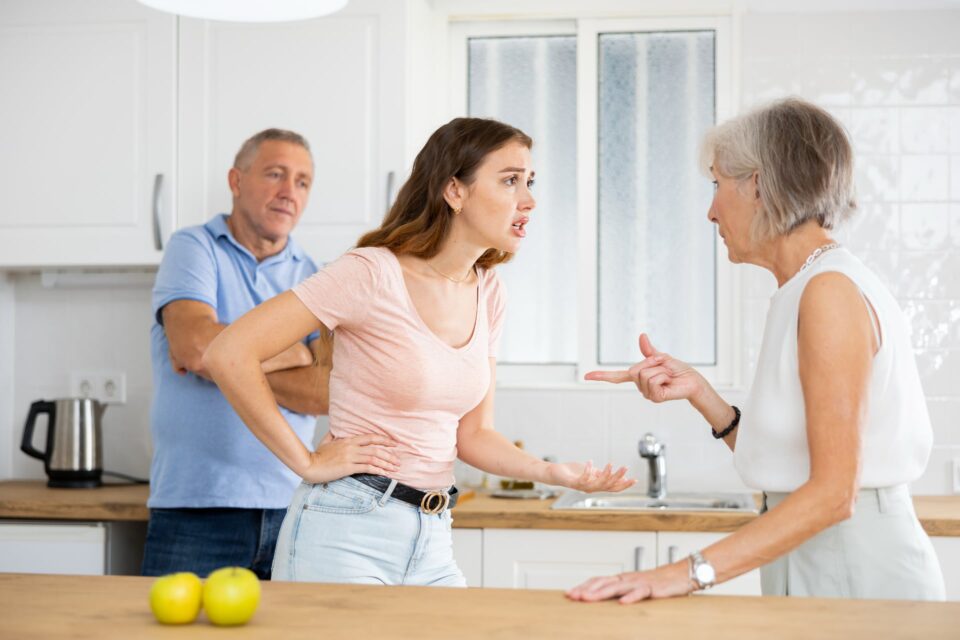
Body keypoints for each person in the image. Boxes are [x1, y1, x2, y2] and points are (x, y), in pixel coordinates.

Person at [203, 117, 635, 586]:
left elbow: (473, 435)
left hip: (432, 535)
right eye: (510, 180)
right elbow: (229, 353)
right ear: (455, 191)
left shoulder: (489, 292)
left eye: (529, 182)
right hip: (345, 529)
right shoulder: (371, 273)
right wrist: (305, 462)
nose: (528, 199)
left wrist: (555, 473)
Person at [567, 98, 945, 603]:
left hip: (854, 565)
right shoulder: (805, 288)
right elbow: (793, 463)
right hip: (815, 554)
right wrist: (702, 394)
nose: (710, 210)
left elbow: (834, 492)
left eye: (717, 184)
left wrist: (680, 574)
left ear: (760, 185)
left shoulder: (828, 293)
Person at [142, 129, 332, 579]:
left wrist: (230, 360)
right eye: (275, 174)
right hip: (195, 508)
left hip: (290, 507)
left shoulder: (314, 275)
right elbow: (195, 348)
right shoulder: (194, 248)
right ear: (236, 180)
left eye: (302, 182)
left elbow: (323, 390)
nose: (289, 192)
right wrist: (297, 354)